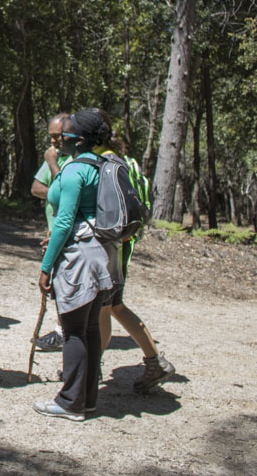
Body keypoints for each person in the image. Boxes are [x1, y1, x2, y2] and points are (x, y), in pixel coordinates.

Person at [33, 108, 115, 421]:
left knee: (74, 332)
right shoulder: (99, 164)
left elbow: (64, 222)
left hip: (79, 258)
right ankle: (87, 399)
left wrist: (46, 267)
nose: (58, 137)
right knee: (90, 329)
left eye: (64, 131)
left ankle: (69, 402)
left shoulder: (73, 171)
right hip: (101, 255)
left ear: (77, 139)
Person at [94, 133, 176, 393]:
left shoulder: (104, 161)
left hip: (111, 244)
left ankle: (93, 366)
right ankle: (154, 361)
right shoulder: (126, 161)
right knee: (112, 307)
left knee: (107, 307)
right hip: (123, 242)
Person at [32, 112, 70, 352]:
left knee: (66, 285)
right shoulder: (55, 157)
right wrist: (56, 193)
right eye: (51, 137)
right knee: (56, 284)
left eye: (59, 136)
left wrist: (54, 168)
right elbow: (36, 187)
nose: (54, 142)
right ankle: (62, 330)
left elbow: (67, 190)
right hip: (54, 230)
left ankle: (64, 332)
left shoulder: (73, 159)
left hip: (69, 233)